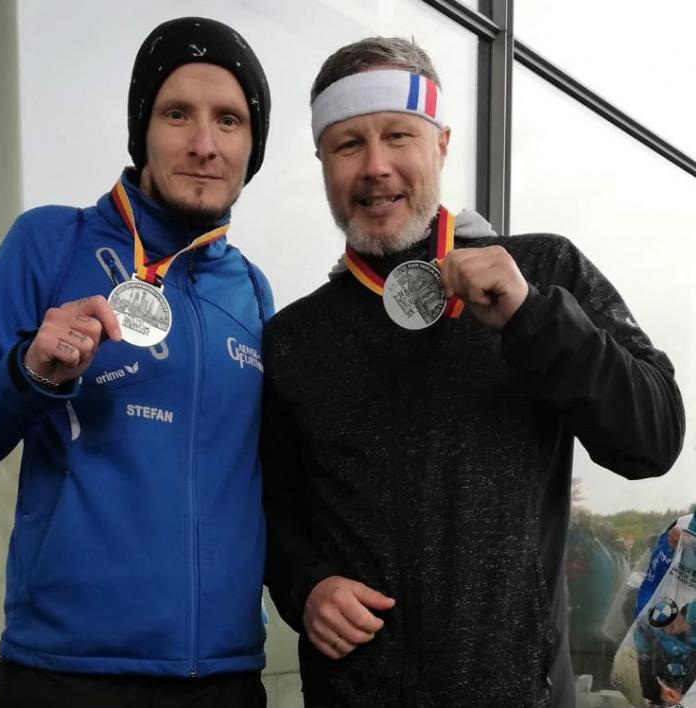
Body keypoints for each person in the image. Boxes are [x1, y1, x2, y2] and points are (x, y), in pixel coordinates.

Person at [260, 35, 685, 708]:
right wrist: (306, 585)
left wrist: (533, 317)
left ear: (441, 144)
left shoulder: (542, 272)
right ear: (323, 163)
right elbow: (275, 510)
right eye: (348, 145)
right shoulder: (294, 337)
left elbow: (653, 438)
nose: (375, 166)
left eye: (398, 135)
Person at [0, 16, 273, 708]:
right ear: (142, 128)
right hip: (68, 674)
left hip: (226, 677)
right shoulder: (52, 240)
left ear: (251, 145)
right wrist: (30, 374)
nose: (204, 144)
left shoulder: (253, 290)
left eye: (229, 120)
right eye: (177, 114)